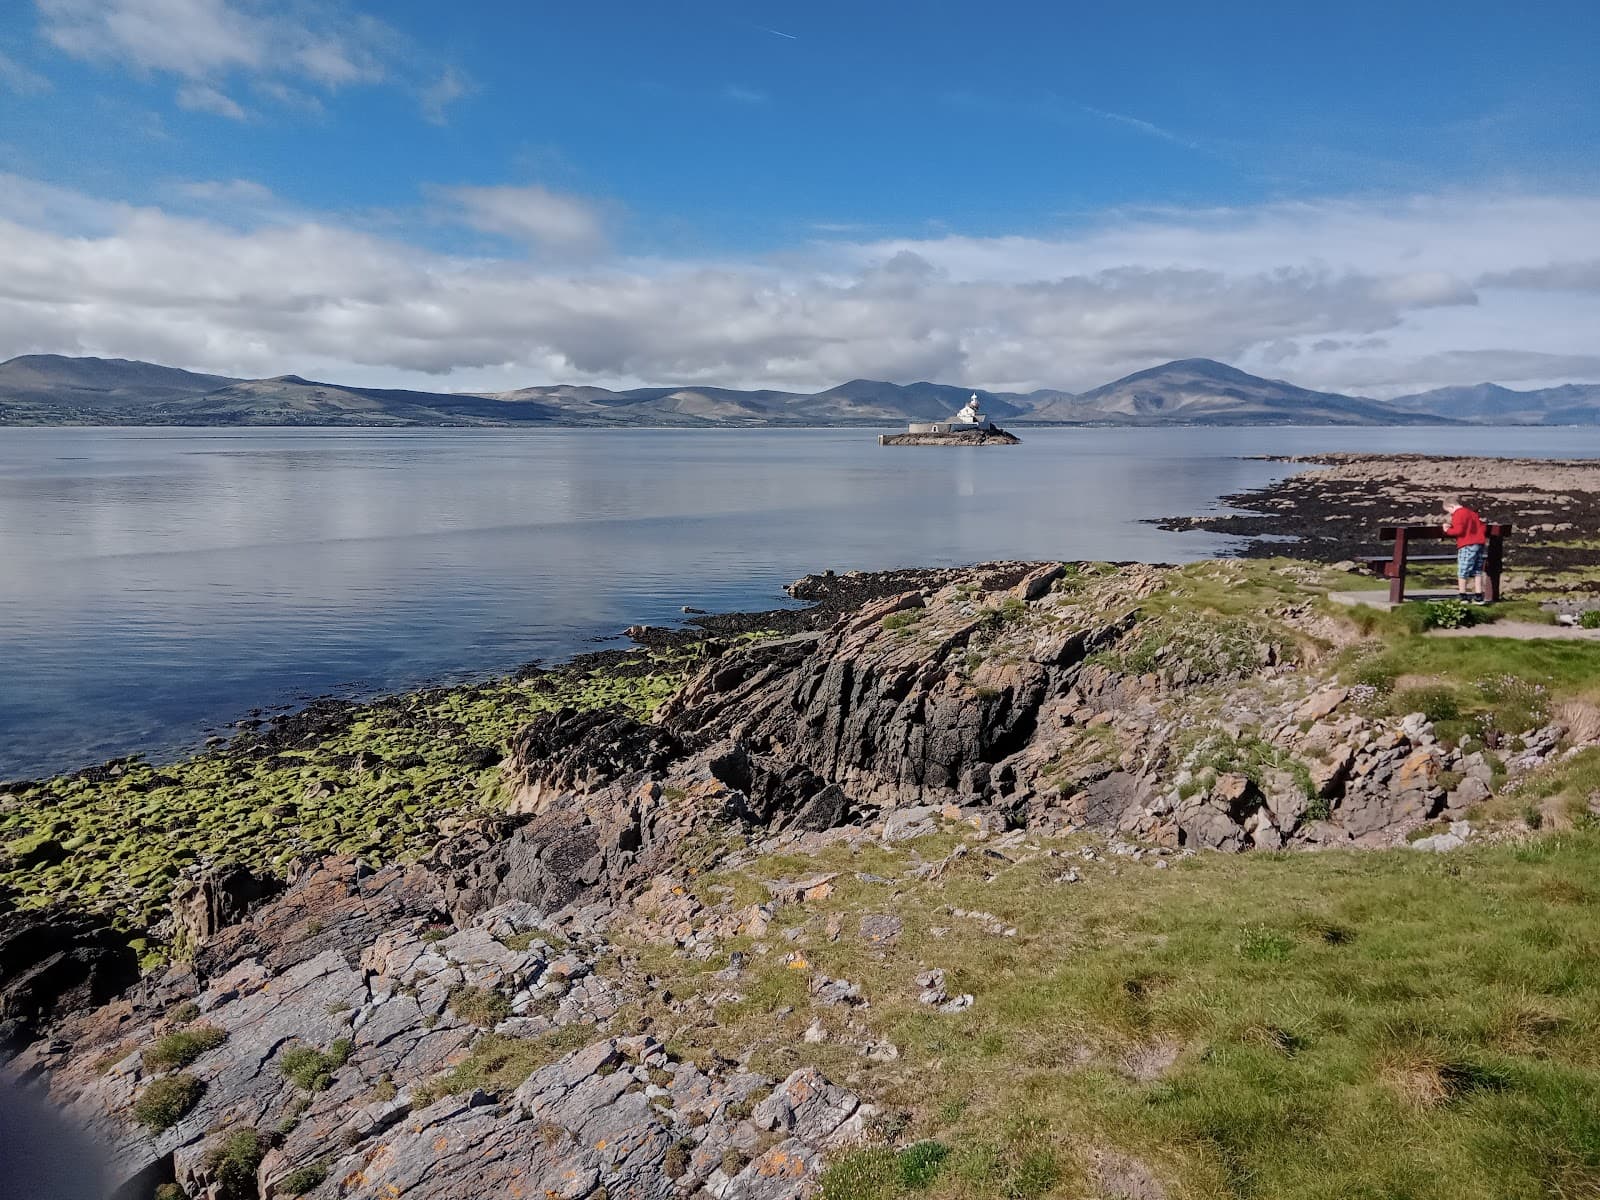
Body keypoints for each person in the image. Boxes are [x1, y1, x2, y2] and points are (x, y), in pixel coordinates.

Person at [1442, 496, 1489, 603]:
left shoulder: (1459, 514)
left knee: (1463, 570)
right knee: (1477, 570)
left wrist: (1447, 530)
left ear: (1451, 506)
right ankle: (1478, 595)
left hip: (1467, 544)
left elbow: (1459, 531)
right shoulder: (1472, 513)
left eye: (1449, 511)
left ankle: (1462, 595)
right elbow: (1483, 527)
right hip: (1479, 543)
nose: (1451, 514)